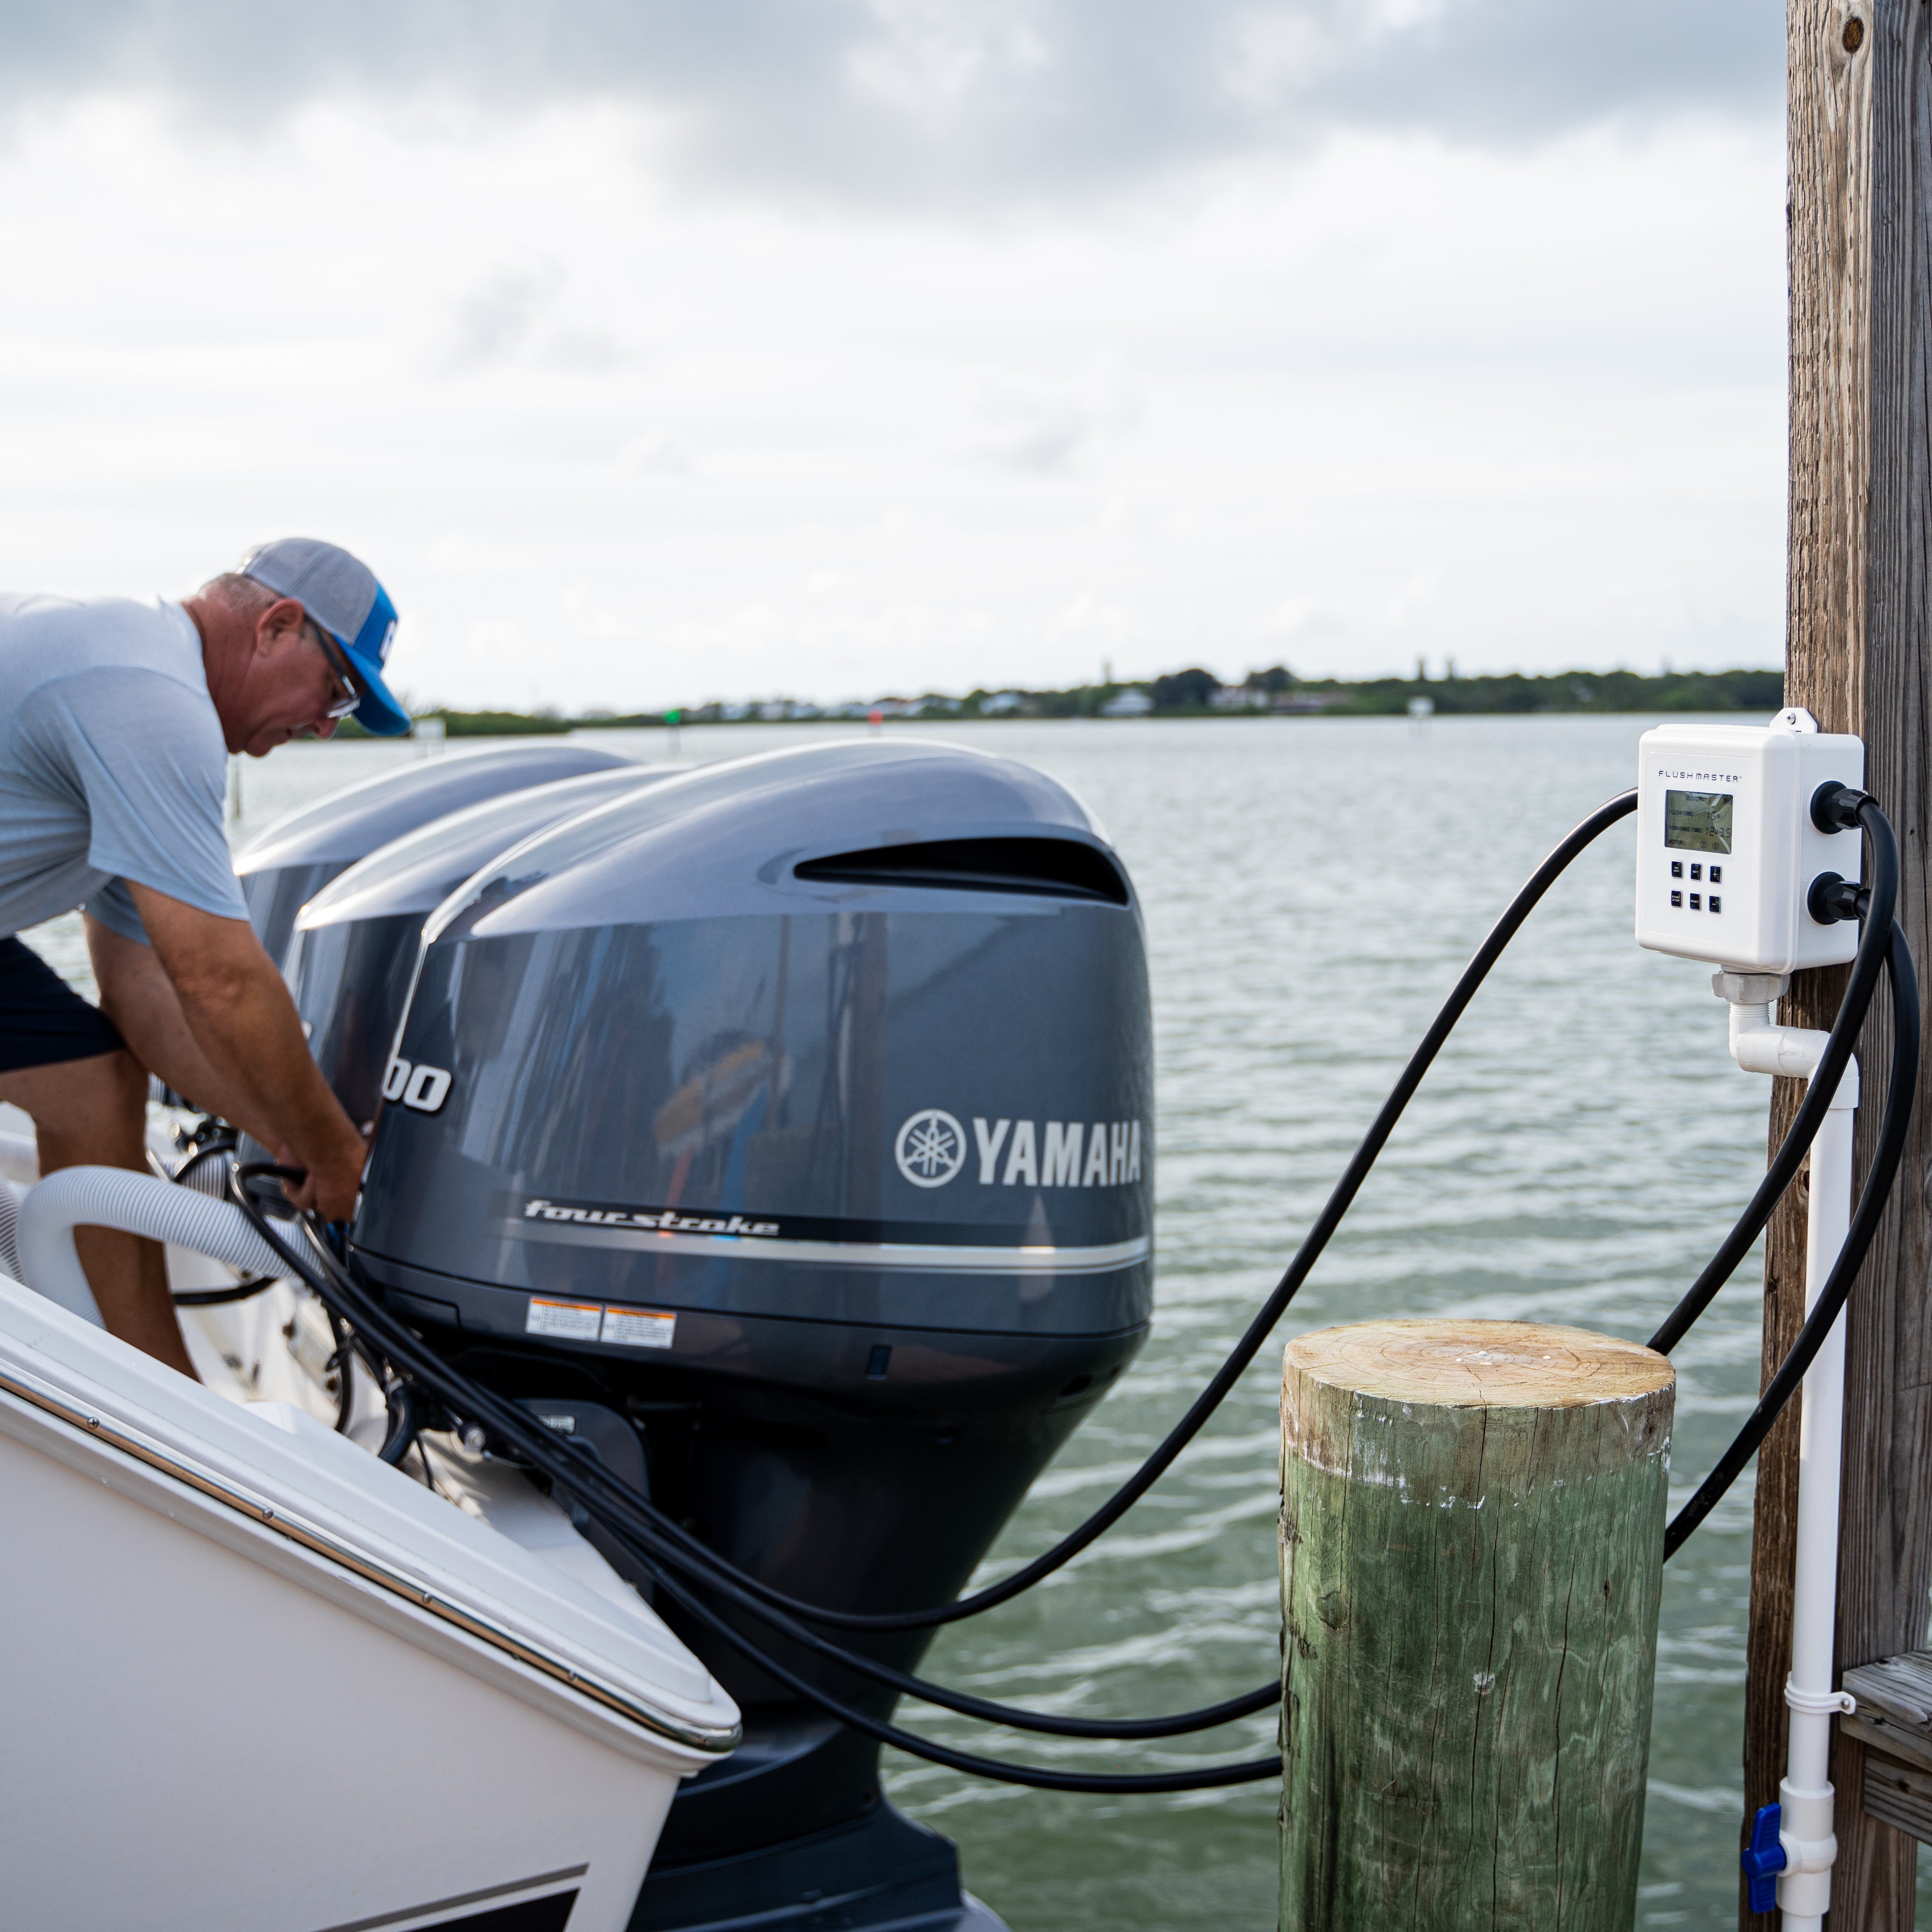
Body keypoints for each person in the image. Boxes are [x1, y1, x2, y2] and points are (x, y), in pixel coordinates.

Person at [0, 539, 411, 1376]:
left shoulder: (142, 690)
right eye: (336, 691)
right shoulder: (150, 697)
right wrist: (336, 1155)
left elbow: (143, 985)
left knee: (92, 1080)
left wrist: (286, 1136)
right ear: (277, 627)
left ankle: (147, 1390)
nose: (325, 727)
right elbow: (218, 980)